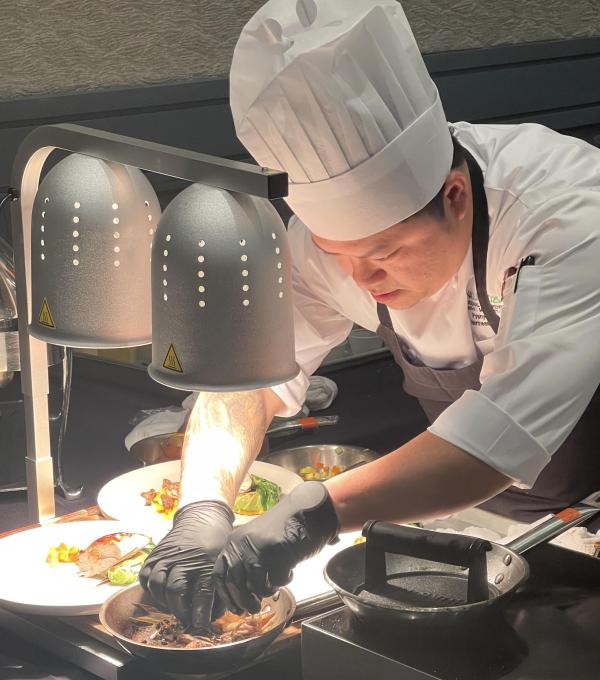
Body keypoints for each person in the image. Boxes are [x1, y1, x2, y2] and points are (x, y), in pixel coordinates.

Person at [139, 0, 600, 628]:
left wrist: (314, 513)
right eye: (339, 254)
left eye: (384, 253)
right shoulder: (326, 249)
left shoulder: (566, 215)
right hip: (496, 519)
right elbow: (251, 382)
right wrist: (201, 506)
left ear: (455, 196)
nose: (361, 278)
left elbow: (496, 441)